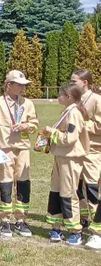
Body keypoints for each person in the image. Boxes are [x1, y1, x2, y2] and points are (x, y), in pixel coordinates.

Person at [0, 70, 39, 238]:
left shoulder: (27, 103)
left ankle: (21, 220)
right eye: (19, 85)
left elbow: (35, 124)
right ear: (8, 85)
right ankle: (5, 220)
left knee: (23, 184)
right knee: (5, 184)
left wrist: (26, 126)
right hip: (3, 150)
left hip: (22, 149)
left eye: (24, 85)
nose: (23, 88)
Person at [45, 84, 89, 245]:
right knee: (56, 192)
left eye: (61, 94)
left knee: (68, 193)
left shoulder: (75, 113)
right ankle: (56, 227)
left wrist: (52, 133)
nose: (58, 97)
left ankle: (75, 230)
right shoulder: (67, 111)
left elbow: (70, 138)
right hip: (60, 157)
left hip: (70, 159)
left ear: (69, 97)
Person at [71, 70, 101, 247]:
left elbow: (99, 125)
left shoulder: (97, 100)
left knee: (92, 189)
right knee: (76, 188)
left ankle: (97, 231)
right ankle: (83, 220)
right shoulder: (75, 99)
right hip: (77, 151)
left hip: (94, 151)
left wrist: (80, 124)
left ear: (85, 83)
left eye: (74, 81)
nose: (71, 84)